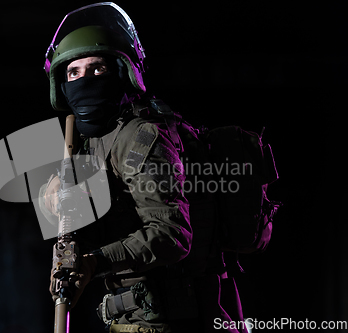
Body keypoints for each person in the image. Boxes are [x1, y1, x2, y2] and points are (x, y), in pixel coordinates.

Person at [40, 3, 248, 333]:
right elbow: (79, 203)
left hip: (176, 322)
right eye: (74, 73)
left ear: (122, 72)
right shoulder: (94, 141)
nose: (85, 81)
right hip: (137, 319)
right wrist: (54, 196)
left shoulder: (141, 137)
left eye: (97, 70)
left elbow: (172, 234)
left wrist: (94, 262)